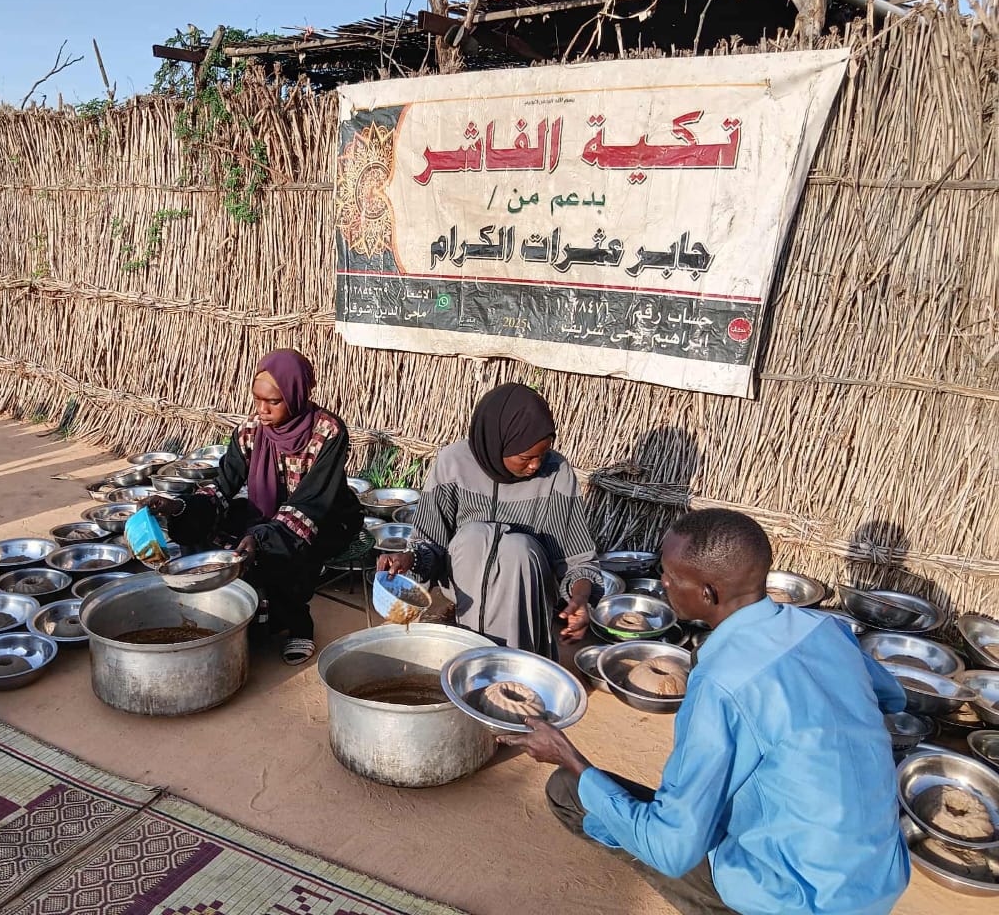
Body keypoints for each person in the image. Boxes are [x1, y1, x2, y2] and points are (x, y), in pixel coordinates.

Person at [501, 509, 910, 915]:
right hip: (878, 879)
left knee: (570, 790)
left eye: (670, 576)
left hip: (795, 899)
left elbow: (671, 848)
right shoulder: (825, 629)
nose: (663, 583)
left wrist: (569, 757)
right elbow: (893, 700)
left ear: (709, 593)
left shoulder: (721, 684)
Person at [147, 349, 360, 665]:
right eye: (257, 399)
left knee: (285, 546)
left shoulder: (328, 432)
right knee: (207, 528)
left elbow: (311, 501)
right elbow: (223, 485)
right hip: (268, 514)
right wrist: (177, 506)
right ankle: (237, 616)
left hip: (326, 517)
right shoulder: (251, 430)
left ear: (296, 395)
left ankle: (298, 624)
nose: (262, 410)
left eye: (273, 401)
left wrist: (261, 537)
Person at [377, 383, 598, 658]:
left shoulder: (556, 473)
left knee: (515, 547)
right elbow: (430, 542)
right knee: (475, 537)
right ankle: (471, 652)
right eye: (526, 457)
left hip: (522, 592)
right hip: (465, 587)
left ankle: (517, 660)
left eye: (542, 455)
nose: (535, 466)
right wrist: (409, 558)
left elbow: (578, 561)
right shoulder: (453, 463)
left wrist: (580, 597)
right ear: (497, 441)